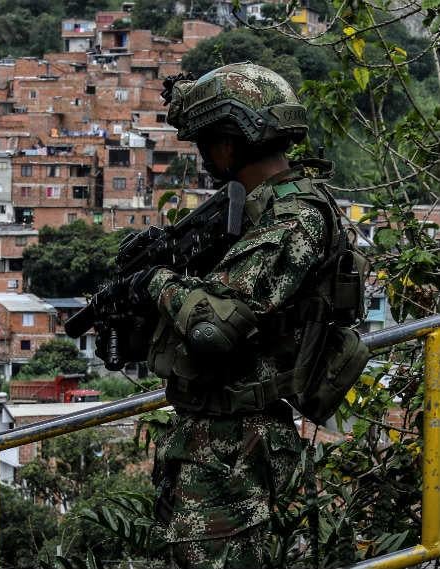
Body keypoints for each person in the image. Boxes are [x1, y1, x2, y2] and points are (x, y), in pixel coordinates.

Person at [130, 63, 343, 568]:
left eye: (206, 141)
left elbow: (214, 326)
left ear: (229, 143)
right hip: (218, 439)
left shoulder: (295, 216)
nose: (204, 155)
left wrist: (153, 282)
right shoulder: (260, 210)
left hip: (238, 448)